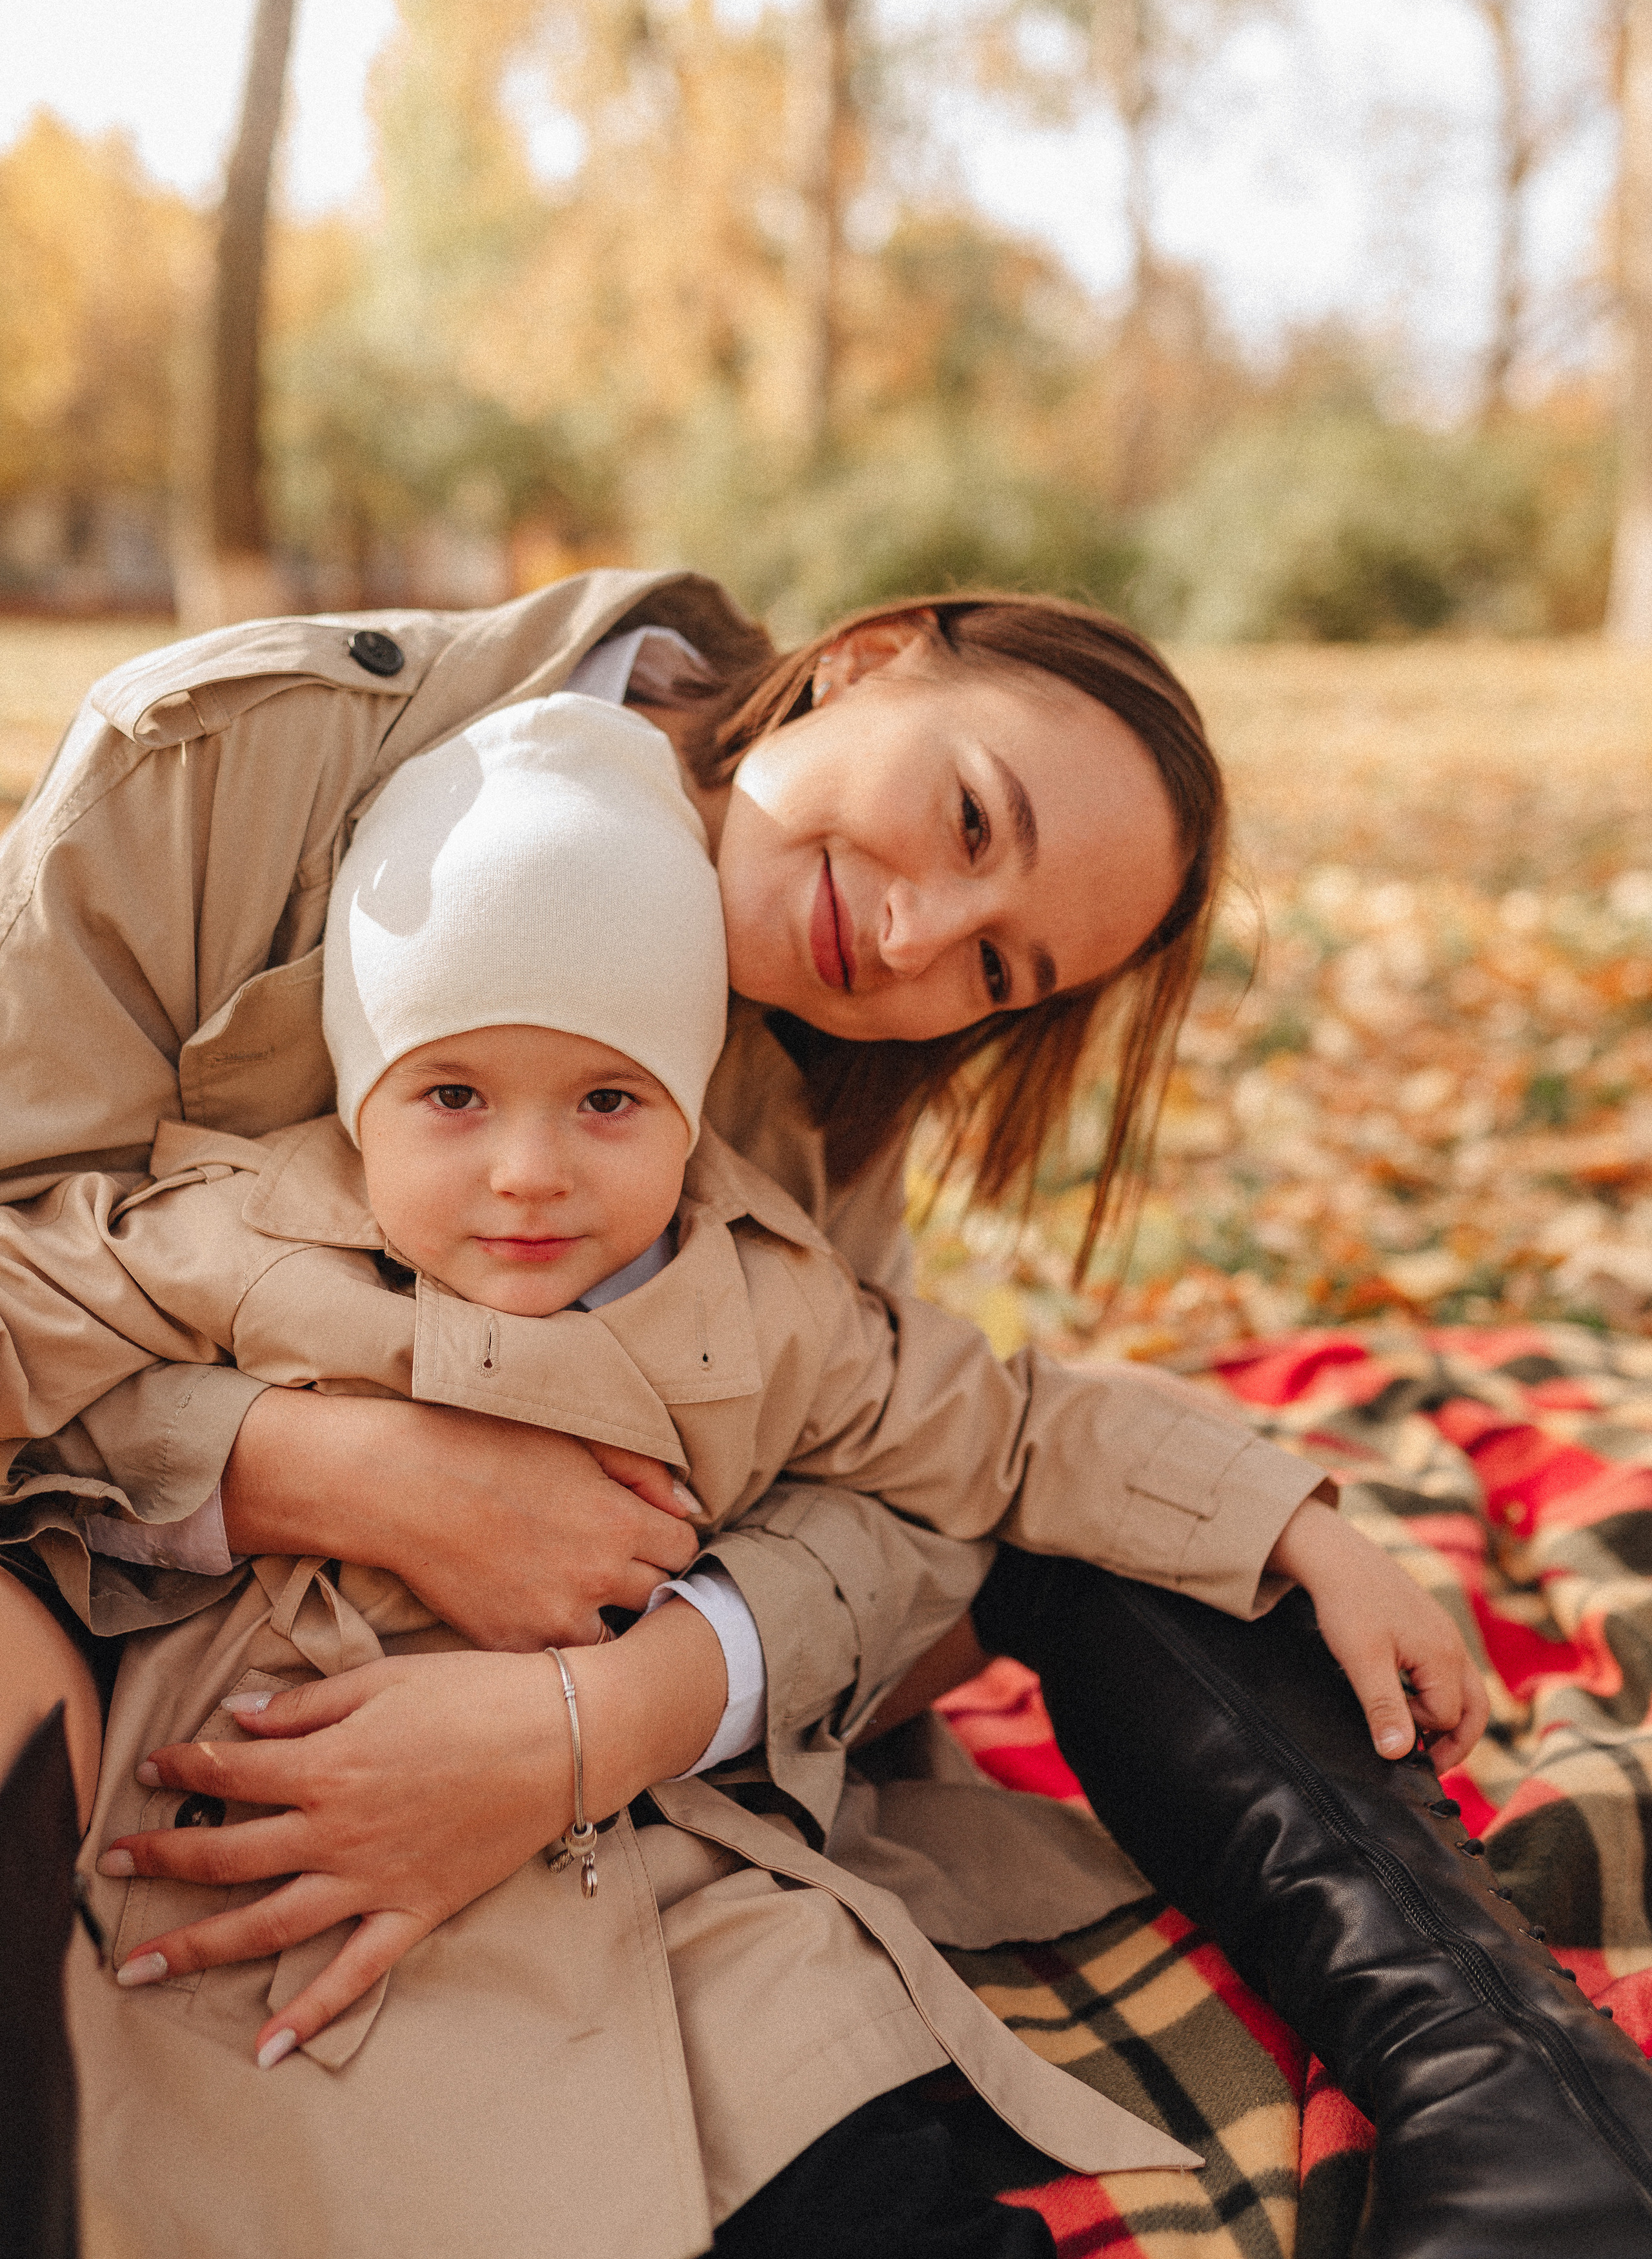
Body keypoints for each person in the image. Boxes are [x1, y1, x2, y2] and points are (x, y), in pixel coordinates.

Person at [4, 572, 1650, 2256]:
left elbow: (949, 1444)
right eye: (969, 817)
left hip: (619, 1785)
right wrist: (309, 1469)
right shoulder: (229, 806)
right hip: (141, 1622)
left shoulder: (778, 1218)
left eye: (996, 967)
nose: (921, 940)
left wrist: (619, 1712)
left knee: (1143, 1495)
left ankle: (1518, 2097)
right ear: (866, 660)